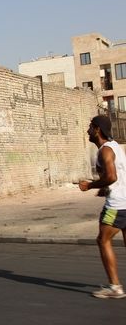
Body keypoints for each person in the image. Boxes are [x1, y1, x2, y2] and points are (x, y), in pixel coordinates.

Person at [79, 115, 126, 299]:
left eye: (90, 126)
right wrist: (104, 188)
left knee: (102, 240)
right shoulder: (115, 147)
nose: (88, 130)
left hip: (116, 206)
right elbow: (117, 177)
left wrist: (90, 186)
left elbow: (112, 177)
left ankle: (115, 288)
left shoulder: (105, 151)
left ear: (97, 129)